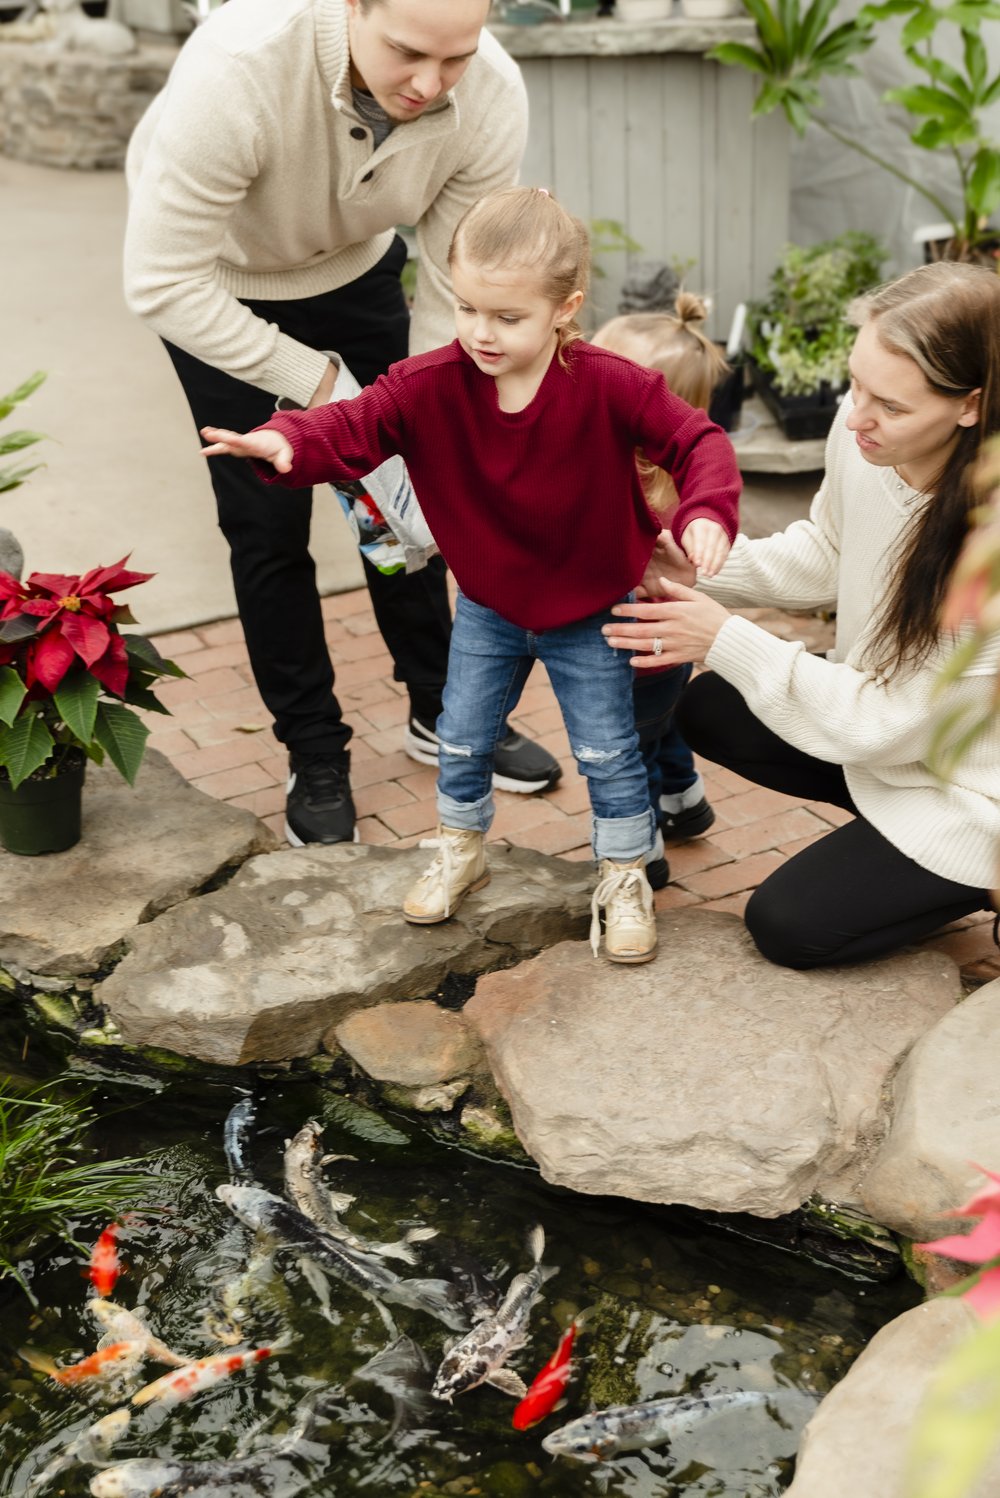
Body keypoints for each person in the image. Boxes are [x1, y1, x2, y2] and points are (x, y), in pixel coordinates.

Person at [200, 187, 741, 963]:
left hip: (591, 609)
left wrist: (706, 512)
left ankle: (622, 875)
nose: (481, 333)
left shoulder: (609, 384)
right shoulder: (429, 384)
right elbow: (352, 425)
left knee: (608, 750)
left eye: (507, 317)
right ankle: (461, 848)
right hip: (489, 608)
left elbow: (699, 440)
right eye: (468, 308)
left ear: (566, 307)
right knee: (460, 737)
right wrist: (289, 441)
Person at [122, 0, 562, 850]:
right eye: (405, 53)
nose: (429, 85)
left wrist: (426, 408)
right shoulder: (239, 70)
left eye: (456, 58)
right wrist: (320, 383)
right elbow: (161, 284)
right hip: (219, 290)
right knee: (268, 527)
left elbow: (452, 280)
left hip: (357, 269)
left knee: (399, 506)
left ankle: (442, 710)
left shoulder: (493, 91)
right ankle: (313, 750)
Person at [603, 259, 1000, 969]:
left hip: (968, 787)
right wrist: (699, 570)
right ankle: (888, 853)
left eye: (893, 406)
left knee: (787, 925)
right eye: (856, 383)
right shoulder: (864, 437)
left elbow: (881, 721)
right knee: (711, 708)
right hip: (890, 737)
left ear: (970, 404)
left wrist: (723, 636)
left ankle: (969, 882)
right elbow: (826, 548)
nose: (858, 416)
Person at [592, 297, 732, 890]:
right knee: (663, 727)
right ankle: (687, 802)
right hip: (668, 655)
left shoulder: (633, 491)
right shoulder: (684, 486)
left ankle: (642, 852)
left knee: (628, 751)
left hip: (631, 655)